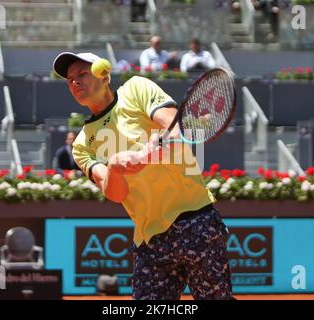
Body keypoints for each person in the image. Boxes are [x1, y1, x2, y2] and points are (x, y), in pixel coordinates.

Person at [53, 51, 233, 300]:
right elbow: (116, 193)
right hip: (149, 240)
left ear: (104, 75)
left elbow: (174, 129)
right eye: (69, 79)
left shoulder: (136, 88)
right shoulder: (82, 145)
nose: (74, 81)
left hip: (196, 220)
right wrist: (116, 166)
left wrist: (148, 153)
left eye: (82, 73)